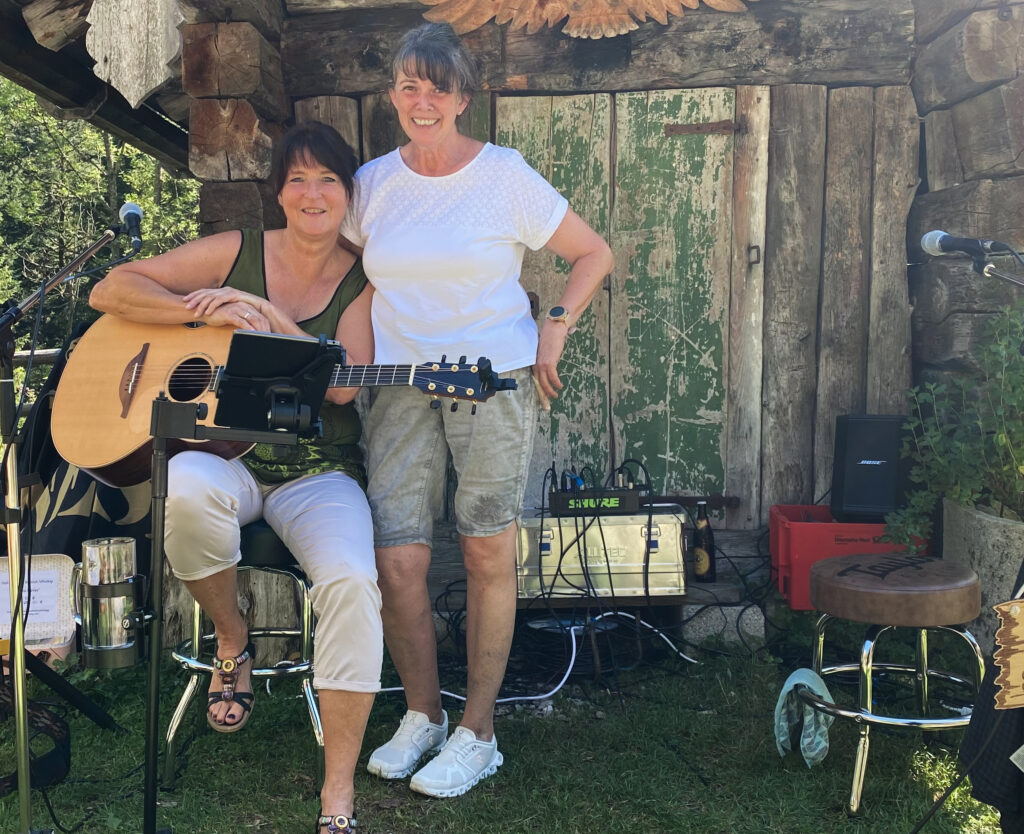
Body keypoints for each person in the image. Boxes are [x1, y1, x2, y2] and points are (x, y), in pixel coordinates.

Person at [340, 22, 614, 797]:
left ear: (463, 98)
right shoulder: (371, 184)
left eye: (437, 89)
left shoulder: (504, 175)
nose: (421, 102)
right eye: (408, 86)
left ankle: (479, 732)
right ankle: (423, 715)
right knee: (399, 558)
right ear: (393, 92)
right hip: (397, 386)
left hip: (493, 383)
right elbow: (355, 281)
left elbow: (593, 252)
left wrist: (553, 329)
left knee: (488, 551)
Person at [89, 121, 379, 834]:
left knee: (349, 581)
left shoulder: (363, 278)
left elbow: (340, 387)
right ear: (278, 191)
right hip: (227, 459)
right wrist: (196, 311)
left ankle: (336, 791)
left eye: (328, 181)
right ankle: (231, 641)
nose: (312, 194)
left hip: (317, 471)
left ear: (347, 194)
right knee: (182, 488)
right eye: (298, 179)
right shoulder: (237, 250)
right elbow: (111, 289)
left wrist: (267, 319)